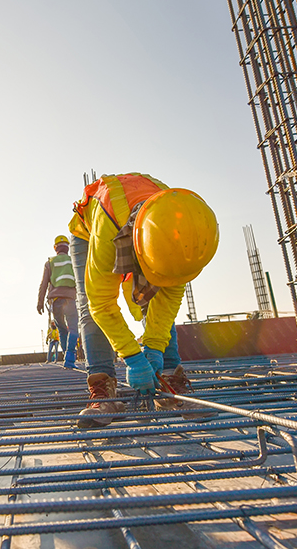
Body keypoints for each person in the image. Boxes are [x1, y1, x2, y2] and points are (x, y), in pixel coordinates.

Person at [68, 173, 219, 428]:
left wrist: (154, 348)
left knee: (158, 292)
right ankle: (104, 390)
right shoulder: (108, 231)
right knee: (87, 304)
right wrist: (133, 357)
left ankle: (169, 380)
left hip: (144, 224)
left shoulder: (183, 228)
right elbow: (101, 303)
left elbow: (168, 299)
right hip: (92, 231)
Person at [37, 235, 79, 369]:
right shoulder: (73, 261)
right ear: (68, 248)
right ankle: (70, 359)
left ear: (55, 248)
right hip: (70, 299)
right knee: (73, 328)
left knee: (62, 329)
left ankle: (67, 357)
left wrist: (39, 302)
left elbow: (43, 284)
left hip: (55, 301)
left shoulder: (50, 262)